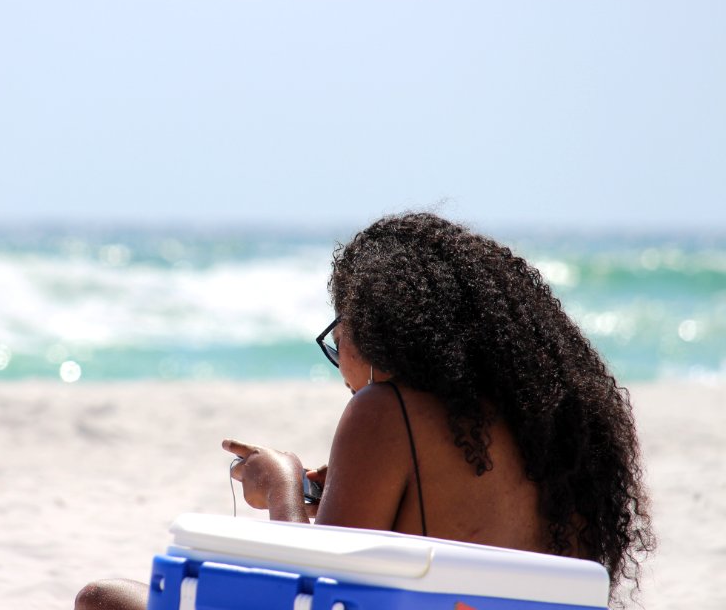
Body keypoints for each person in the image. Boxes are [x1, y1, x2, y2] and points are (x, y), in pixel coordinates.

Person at [75, 213, 653, 610]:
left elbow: (315, 587)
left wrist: (279, 484)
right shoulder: (563, 427)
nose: (338, 351)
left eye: (338, 328)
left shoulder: (387, 412)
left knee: (104, 598)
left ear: (380, 327)